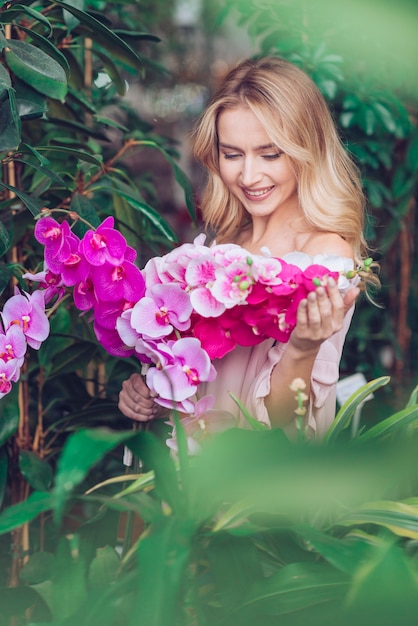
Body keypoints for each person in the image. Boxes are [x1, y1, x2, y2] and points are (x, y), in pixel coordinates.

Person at [118, 56, 371, 439]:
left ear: (307, 150)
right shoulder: (227, 246)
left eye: (270, 154)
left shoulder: (325, 258)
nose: (249, 176)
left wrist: (302, 349)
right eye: (232, 154)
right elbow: (200, 376)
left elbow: (283, 418)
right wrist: (153, 391)